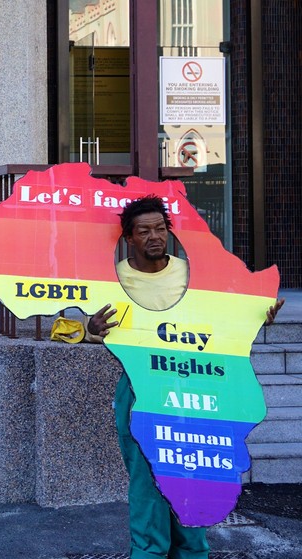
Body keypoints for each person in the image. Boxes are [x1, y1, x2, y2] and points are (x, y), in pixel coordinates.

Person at [86, 195, 285, 559]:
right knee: (148, 485)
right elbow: (94, 324)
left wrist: (259, 315)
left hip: (197, 387)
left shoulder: (193, 273)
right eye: (144, 231)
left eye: (160, 229)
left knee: (195, 478)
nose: (154, 237)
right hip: (141, 390)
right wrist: (91, 328)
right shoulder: (113, 280)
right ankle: (148, 553)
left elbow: (227, 314)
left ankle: (193, 553)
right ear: (129, 238)